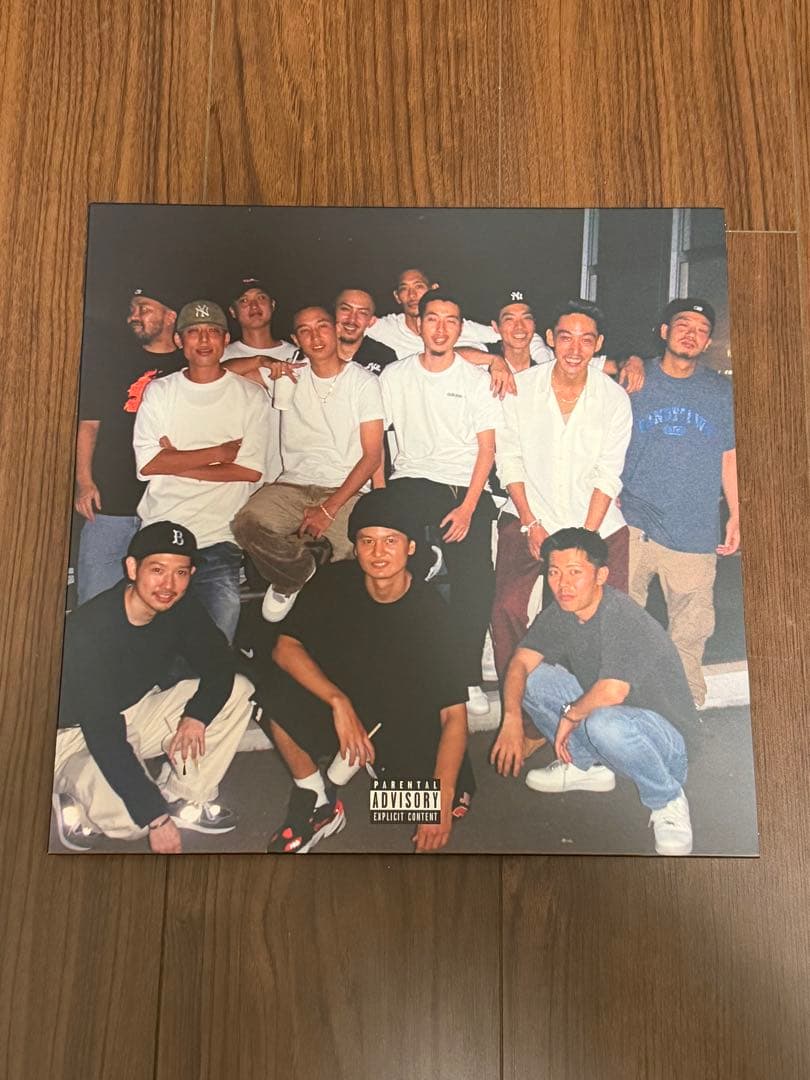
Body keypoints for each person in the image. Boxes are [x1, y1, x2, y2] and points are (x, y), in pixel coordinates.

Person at [264, 488, 472, 854]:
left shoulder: (434, 614)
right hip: (346, 706)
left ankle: (371, 769)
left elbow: (454, 715)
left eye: (391, 541)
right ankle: (318, 798)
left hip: (402, 718)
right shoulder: (334, 581)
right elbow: (285, 648)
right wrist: (338, 702)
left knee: (425, 807)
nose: (378, 553)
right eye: (367, 541)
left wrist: (442, 794)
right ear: (356, 547)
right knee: (271, 691)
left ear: (410, 547)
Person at [52, 521, 254, 854]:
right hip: (73, 736)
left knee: (237, 692)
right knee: (136, 822)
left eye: (181, 573)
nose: (168, 585)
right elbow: (103, 733)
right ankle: (72, 793)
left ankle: (183, 795)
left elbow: (220, 663)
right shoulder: (90, 629)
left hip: (134, 710)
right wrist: (156, 819)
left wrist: (197, 716)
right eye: (157, 570)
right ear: (133, 568)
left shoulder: (180, 607)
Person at [490, 527, 695, 856]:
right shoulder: (563, 611)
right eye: (554, 572)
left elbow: (613, 691)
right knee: (532, 680)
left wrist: (570, 715)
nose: (563, 584)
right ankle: (585, 765)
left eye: (575, 572)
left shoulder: (621, 614)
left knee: (603, 722)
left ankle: (667, 797)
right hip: (613, 719)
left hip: (667, 745)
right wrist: (512, 718)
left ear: (601, 576)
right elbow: (520, 663)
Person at [491, 298, 633, 681]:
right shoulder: (520, 389)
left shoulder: (614, 399)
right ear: (550, 338)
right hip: (529, 514)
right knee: (507, 608)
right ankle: (520, 700)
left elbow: (608, 473)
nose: (575, 349)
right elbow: (509, 460)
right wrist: (530, 522)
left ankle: (592, 699)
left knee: (603, 616)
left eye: (586, 340)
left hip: (595, 523)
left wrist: (583, 542)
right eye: (566, 337)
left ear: (598, 344)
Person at [379, 291, 501, 717]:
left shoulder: (475, 379)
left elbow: (487, 450)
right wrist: (380, 496)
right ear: (419, 324)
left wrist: (468, 509)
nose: (441, 328)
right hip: (412, 480)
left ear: (461, 328)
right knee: (394, 564)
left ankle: (466, 676)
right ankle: (403, 669)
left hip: (463, 486)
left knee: (477, 579)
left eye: (451, 320)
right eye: (433, 318)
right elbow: (377, 439)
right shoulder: (395, 375)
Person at [620, 298, 739, 706]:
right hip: (633, 522)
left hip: (694, 527)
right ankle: (621, 701)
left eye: (702, 330)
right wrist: (630, 358)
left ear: (707, 343)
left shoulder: (720, 391)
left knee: (691, 629)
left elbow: (729, 455)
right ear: (664, 332)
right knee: (623, 620)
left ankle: (687, 707)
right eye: (683, 325)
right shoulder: (634, 379)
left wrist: (737, 514)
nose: (692, 334)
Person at [232, 306, 384, 622]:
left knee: (357, 552)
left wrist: (328, 509)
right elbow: (220, 371)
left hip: (346, 489)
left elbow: (372, 455)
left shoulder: (364, 382)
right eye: (305, 330)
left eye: (322, 326)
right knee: (246, 523)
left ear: (336, 329)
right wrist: (264, 362)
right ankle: (295, 574)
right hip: (293, 484)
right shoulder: (289, 376)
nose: (315, 336)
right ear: (295, 338)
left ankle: (325, 616)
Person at [133, 300, 271, 643]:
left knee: (215, 648)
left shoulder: (251, 396)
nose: (204, 339)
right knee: (154, 648)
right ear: (179, 341)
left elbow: (250, 471)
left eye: (213, 331)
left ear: (226, 339)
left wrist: (176, 460)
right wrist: (218, 454)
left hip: (219, 539)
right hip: (161, 532)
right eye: (194, 332)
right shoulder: (160, 392)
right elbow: (147, 464)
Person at [74, 284, 183, 603]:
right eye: (132, 309)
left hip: (167, 503)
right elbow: (89, 425)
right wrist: (84, 482)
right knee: (95, 598)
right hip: (111, 501)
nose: (133, 316)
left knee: (159, 602)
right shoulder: (112, 364)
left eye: (144, 309)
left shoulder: (189, 366)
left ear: (170, 317)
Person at [334, 287, 398, 375]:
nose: (352, 319)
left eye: (362, 313)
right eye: (346, 309)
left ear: (371, 321)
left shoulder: (384, 357)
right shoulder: (316, 351)